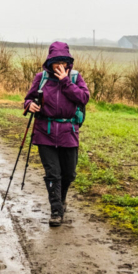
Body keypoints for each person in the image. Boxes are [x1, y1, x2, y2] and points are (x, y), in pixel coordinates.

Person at [24, 42, 90, 227]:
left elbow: (83, 98)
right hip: (45, 131)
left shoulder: (76, 78)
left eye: (63, 61)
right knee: (53, 173)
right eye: (56, 62)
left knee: (69, 174)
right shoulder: (41, 77)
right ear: (50, 62)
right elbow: (28, 98)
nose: (59, 65)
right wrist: (29, 105)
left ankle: (60, 200)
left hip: (69, 132)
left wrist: (65, 82)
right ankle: (56, 210)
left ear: (68, 62)